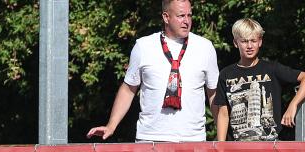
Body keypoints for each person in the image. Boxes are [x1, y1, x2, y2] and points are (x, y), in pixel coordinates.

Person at [87, 0, 219, 142]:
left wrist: (222, 136)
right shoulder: (143, 46)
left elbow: (214, 93)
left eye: (189, 15)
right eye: (181, 16)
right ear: (166, 17)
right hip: (150, 139)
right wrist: (111, 126)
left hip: (193, 139)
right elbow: (128, 89)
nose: (186, 21)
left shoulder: (205, 47)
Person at [213, 18, 305, 142]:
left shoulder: (271, 68)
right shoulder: (226, 74)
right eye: (244, 41)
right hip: (238, 150)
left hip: (271, 146)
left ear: (260, 42)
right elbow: (223, 114)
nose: (250, 46)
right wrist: (220, 148)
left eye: (253, 41)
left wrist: (293, 105)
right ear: (236, 43)